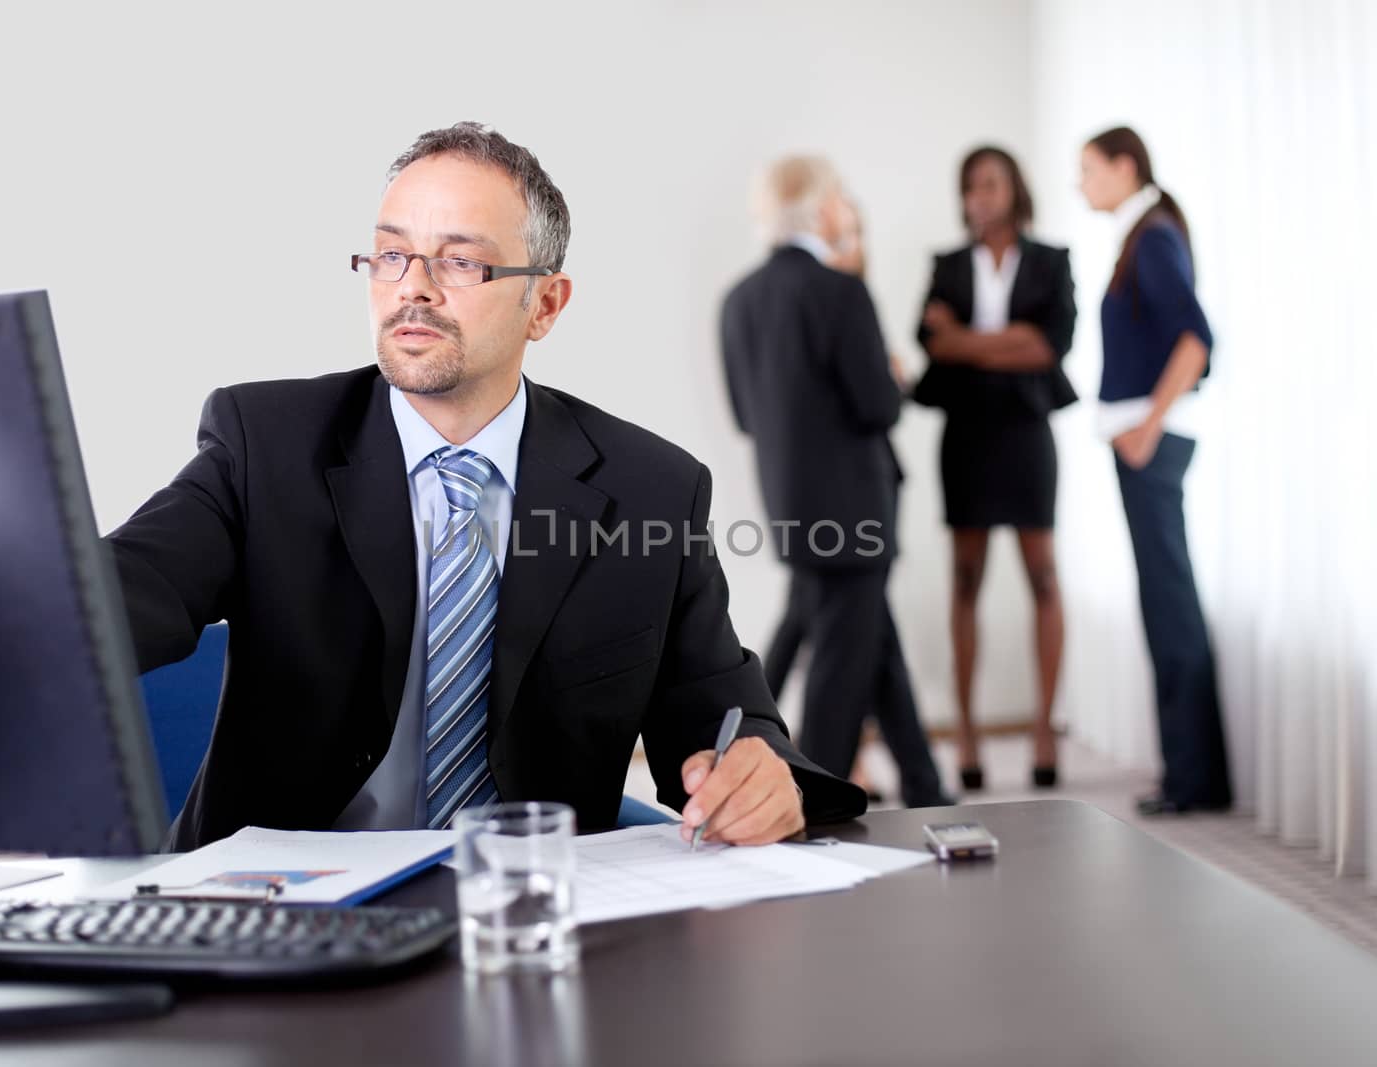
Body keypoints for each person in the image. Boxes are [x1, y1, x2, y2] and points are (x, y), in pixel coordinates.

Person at [106, 123, 866, 851]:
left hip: (524, 918)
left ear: (545, 304)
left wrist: (767, 780)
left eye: (460, 262)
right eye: (391, 255)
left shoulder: (650, 490)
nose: (415, 288)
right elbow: (114, 596)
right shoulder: (263, 444)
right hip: (282, 924)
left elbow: (725, 719)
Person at [720, 156, 950, 809]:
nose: (850, 209)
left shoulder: (738, 300)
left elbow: (745, 415)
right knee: (841, 670)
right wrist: (894, 374)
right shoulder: (840, 291)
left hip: (791, 503)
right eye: (844, 198)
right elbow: (879, 406)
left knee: (875, 642)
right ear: (824, 211)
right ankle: (812, 797)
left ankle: (926, 786)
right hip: (856, 507)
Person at [911, 146, 1077, 792]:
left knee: (1043, 577)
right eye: (970, 185)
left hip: (1028, 434)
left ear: (1013, 190)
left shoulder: (1051, 260)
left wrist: (966, 342)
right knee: (966, 579)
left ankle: (1043, 727)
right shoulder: (947, 265)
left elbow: (1051, 343)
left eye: (991, 183)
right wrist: (1011, 341)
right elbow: (932, 346)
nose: (980, 194)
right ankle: (969, 731)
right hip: (968, 438)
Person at [1078, 125, 1231, 816]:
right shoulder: (1144, 234)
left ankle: (1194, 780)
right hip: (1144, 442)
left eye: (1088, 170)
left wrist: (1147, 425)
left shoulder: (1156, 235)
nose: (1080, 184)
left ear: (1124, 166)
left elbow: (1197, 337)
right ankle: (1189, 772)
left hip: (1153, 444)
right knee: (1164, 600)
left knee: (1170, 603)